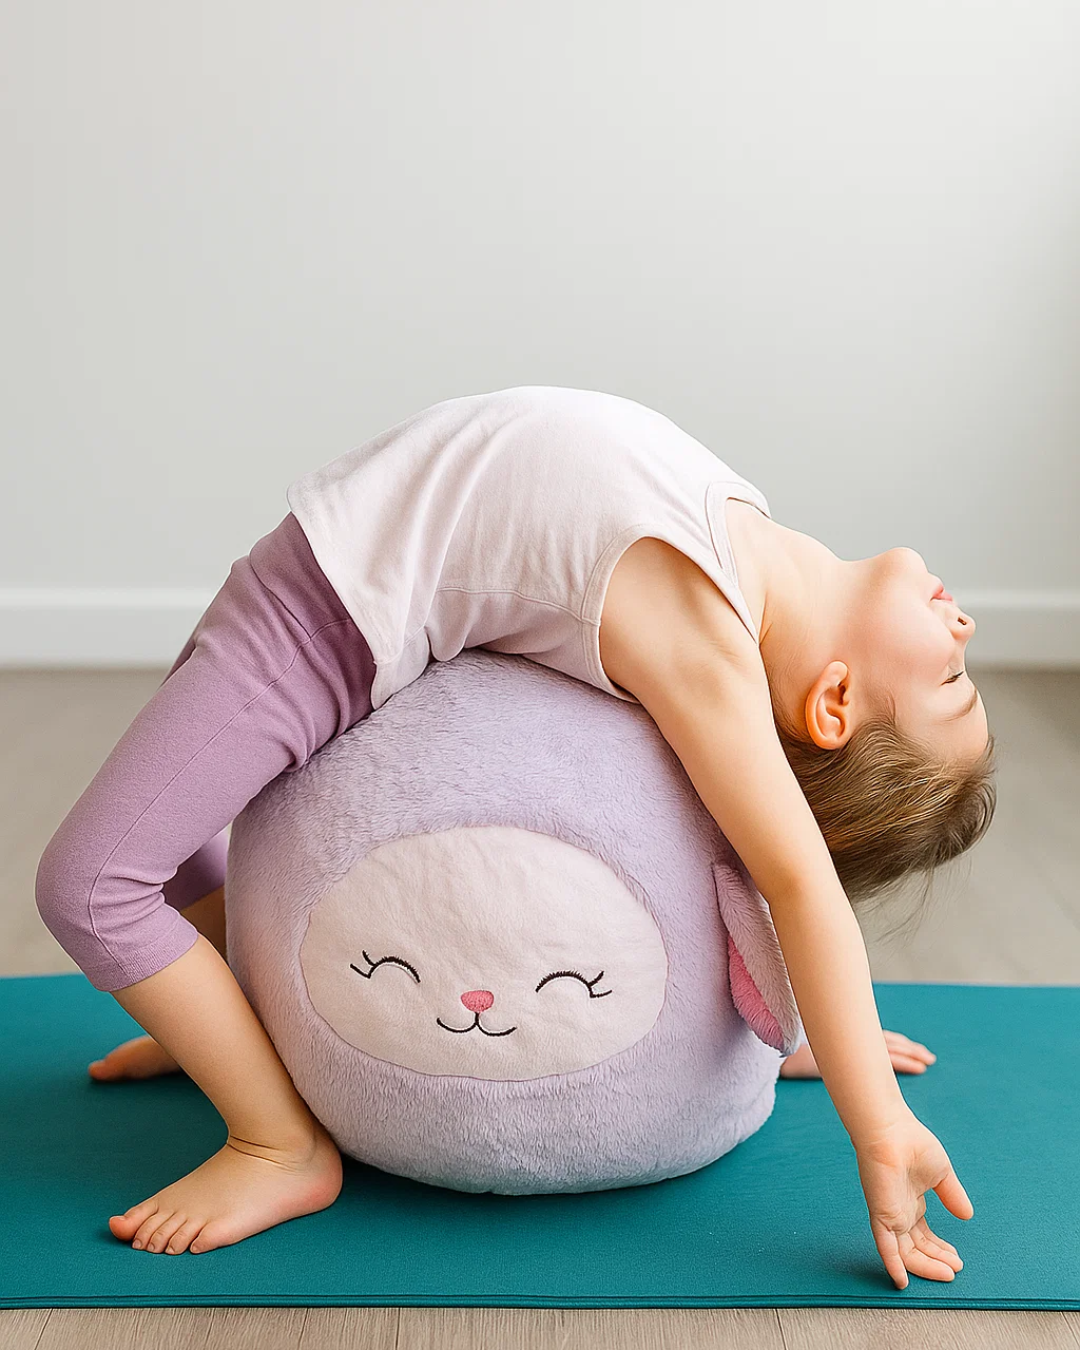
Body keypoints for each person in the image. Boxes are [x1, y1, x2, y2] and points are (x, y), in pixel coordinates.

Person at [35, 385, 996, 1281]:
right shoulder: (748, 550)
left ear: (833, 706)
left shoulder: (709, 644)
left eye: (952, 683)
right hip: (316, 571)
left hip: (318, 622)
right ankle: (230, 1020)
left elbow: (792, 877)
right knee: (179, 855)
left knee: (94, 886)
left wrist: (878, 1120)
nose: (966, 627)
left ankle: (276, 1142)